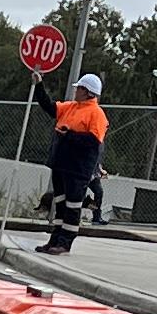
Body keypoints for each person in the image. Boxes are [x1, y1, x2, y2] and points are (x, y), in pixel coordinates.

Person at [40, 70, 109, 254]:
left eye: (79, 88)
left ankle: (65, 243)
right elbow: (49, 107)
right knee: (60, 204)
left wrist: (69, 135)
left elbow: (93, 142)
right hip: (60, 165)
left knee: (72, 206)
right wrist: (39, 85)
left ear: (88, 92)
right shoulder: (70, 107)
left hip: (78, 169)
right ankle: (54, 240)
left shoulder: (97, 114)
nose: (76, 91)